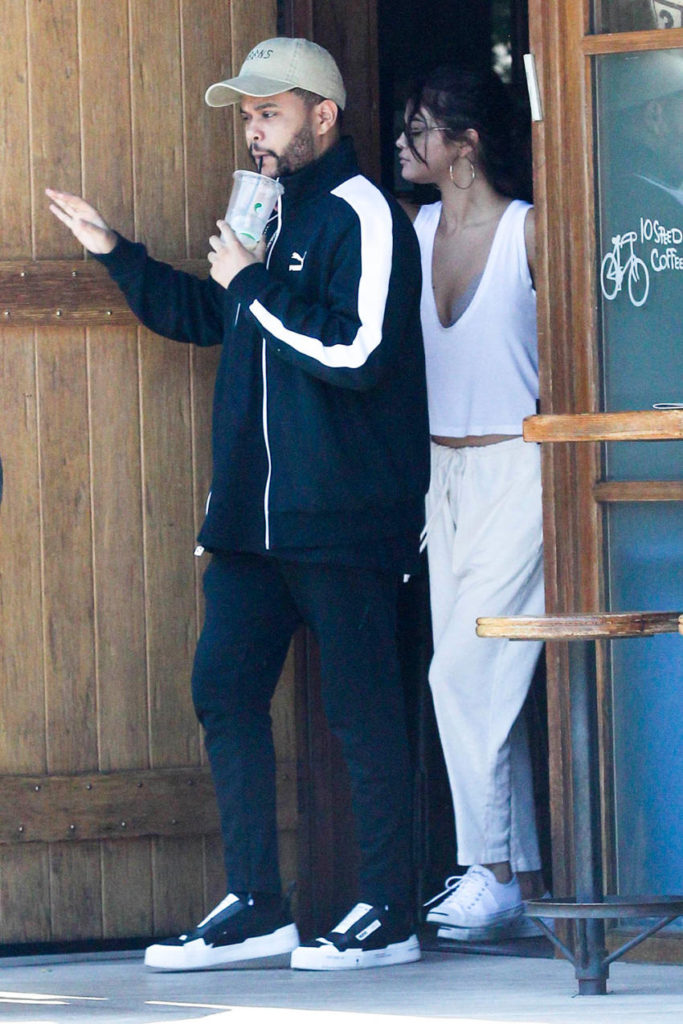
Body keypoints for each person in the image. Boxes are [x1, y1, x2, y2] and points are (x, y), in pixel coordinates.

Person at [48, 37, 429, 972]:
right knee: (222, 693)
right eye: (247, 115)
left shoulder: (363, 212)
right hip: (250, 526)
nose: (254, 130)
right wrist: (116, 253)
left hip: (343, 519)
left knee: (363, 713)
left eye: (269, 112)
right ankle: (258, 907)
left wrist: (252, 284)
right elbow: (211, 318)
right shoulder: (264, 211)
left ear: (322, 116)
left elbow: (360, 353)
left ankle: (389, 911)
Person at [395, 64, 548, 941]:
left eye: (419, 128)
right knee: (484, 682)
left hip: (520, 469)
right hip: (440, 477)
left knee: (460, 673)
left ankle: (485, 871)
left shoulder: (530, 230)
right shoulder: (411, 230)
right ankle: (516, 879)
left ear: (466, 144)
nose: (404, 143)